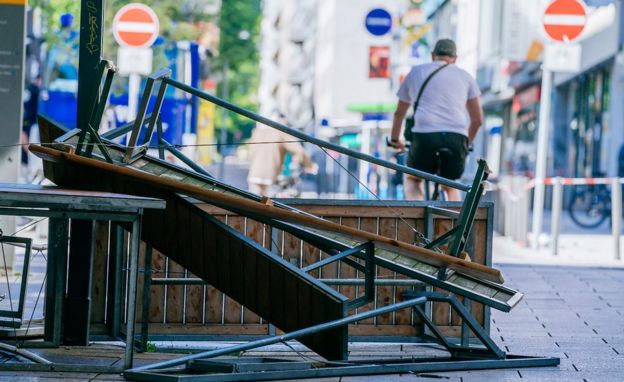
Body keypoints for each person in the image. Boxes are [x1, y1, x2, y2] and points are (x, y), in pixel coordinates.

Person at [388, 38, 483, 201]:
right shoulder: (466, 77)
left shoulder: (416, 72)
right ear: (455, 58)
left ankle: (417, 219)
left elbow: (399, 113)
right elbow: (477, 120)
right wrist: (466, 144)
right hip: (456, 138)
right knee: (451, 184)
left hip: (425, 136)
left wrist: (395, 140)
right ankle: (457, 222)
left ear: (433, 55)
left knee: (412, 178)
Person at [247, 112, 317, 197]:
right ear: (281, 121)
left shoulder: (257, 132)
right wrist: (309, 165)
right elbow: (299, 150)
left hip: (254, 174)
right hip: (270, 176)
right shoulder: (281, 132)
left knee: (254, 204)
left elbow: (251, 151)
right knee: (269, 205)